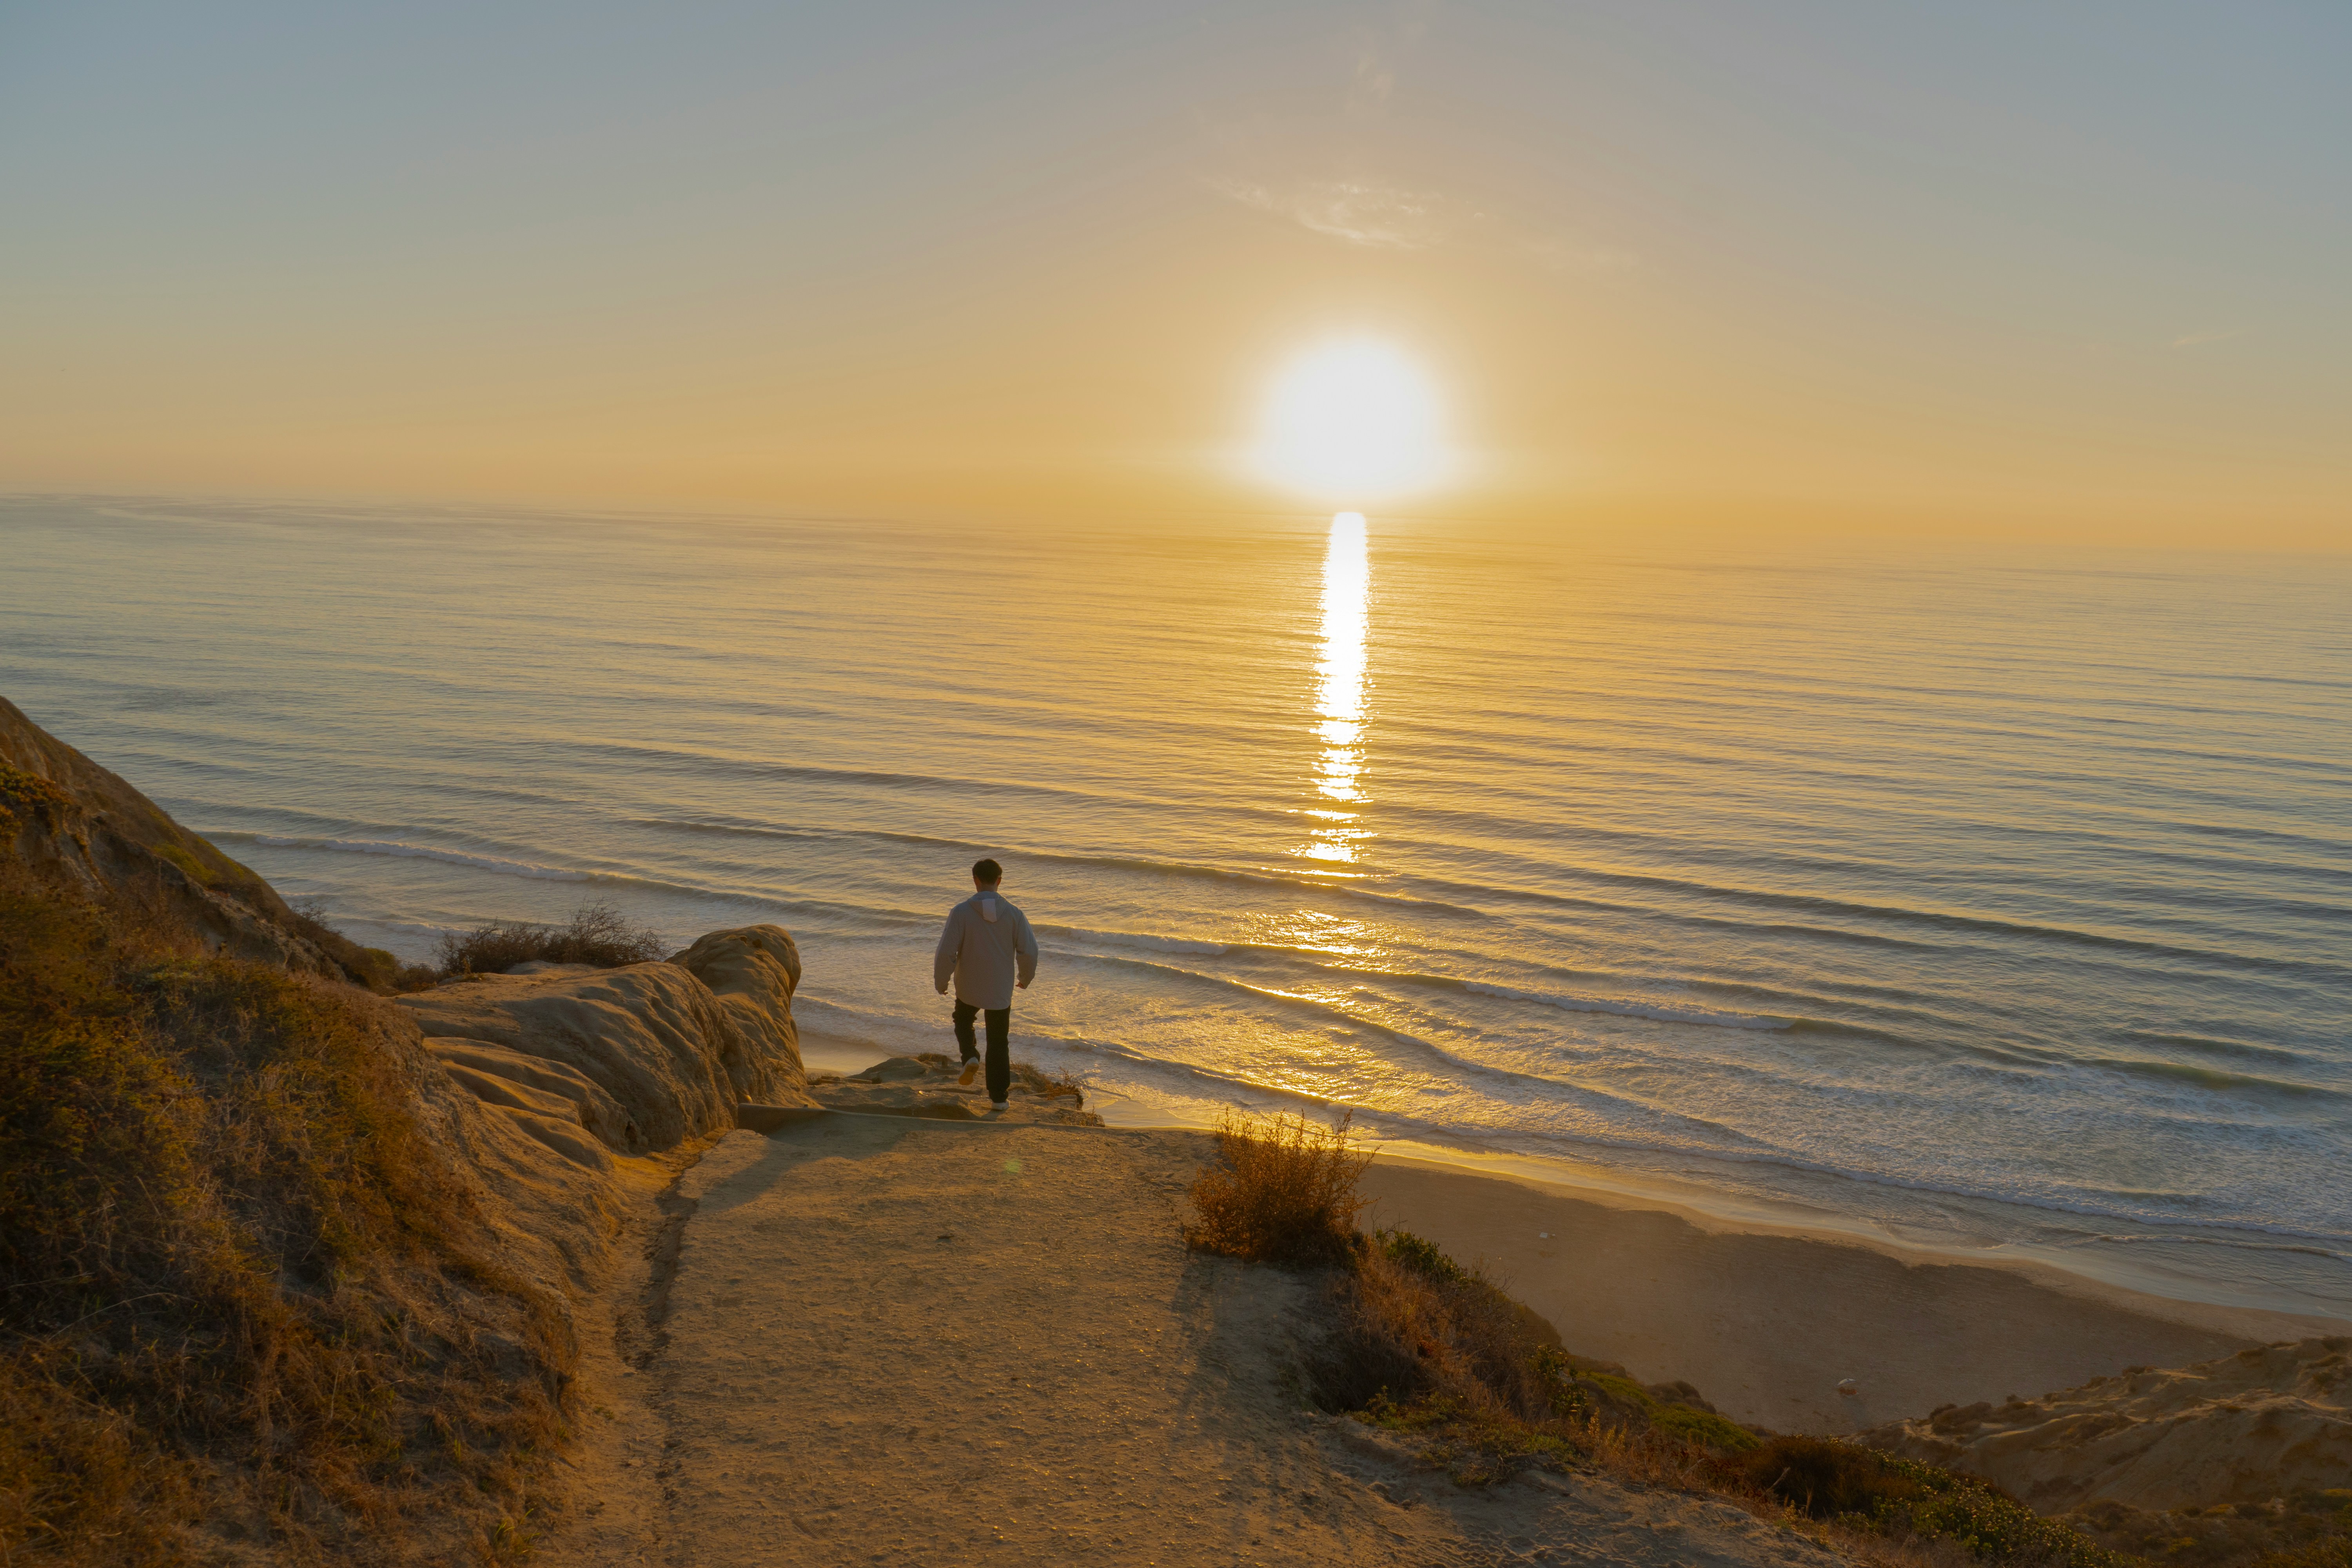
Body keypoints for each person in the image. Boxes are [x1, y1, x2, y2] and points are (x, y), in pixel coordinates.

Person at [931, 857, 1038, 1109]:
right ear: (1000, 881)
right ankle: (999, 1099)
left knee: (963, 1019)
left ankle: (970, 1056)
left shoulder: (961, 912)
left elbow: (946, 951)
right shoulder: (1014, 914)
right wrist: (1025, 978)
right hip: (1000, 990)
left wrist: (941, 982)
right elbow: (1030, 952)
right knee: (999, 1041)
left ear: (975, 880)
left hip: (969, 986)